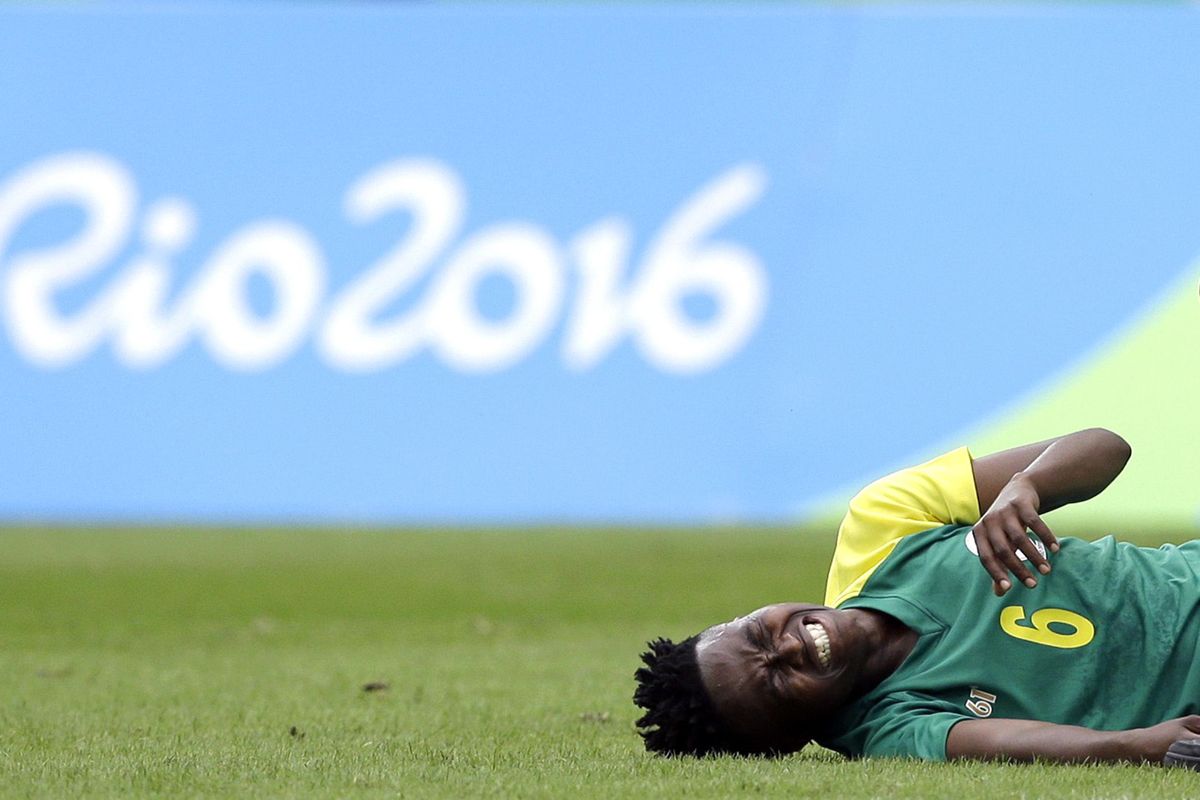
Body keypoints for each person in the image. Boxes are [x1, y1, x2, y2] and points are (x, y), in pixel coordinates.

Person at [633, 428, 1200, 765]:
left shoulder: (881, 525)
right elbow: (1012, 741)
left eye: (759, 633)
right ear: (790, 737)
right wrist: (1136, 745)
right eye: (775, 684)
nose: (786, 647)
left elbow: (1107, 447)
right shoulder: (886, 728)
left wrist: (1024, 486)